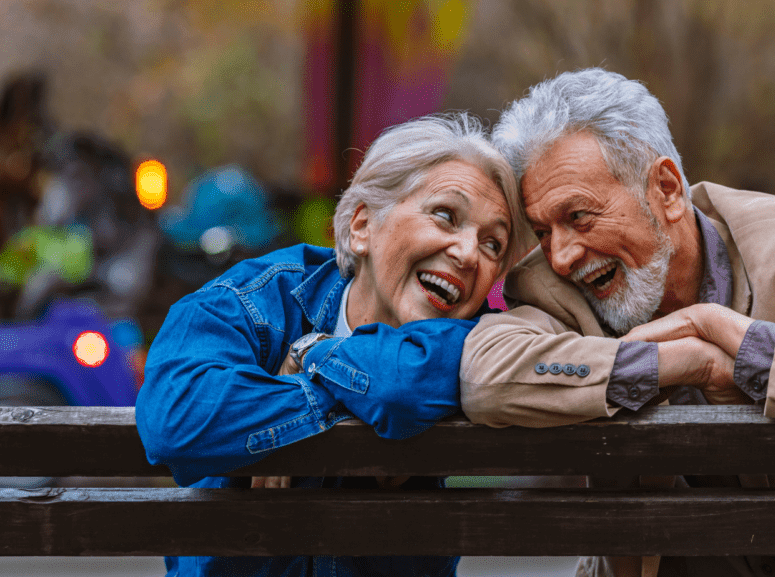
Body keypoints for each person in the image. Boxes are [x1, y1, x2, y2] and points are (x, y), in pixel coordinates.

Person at [459, 68, 775, 577]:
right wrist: (678, 363)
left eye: (579, 217)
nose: (563, 255)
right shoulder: (549, 286)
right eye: (543, 230)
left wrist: (727, 335)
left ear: (665, 188)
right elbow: (486, 378)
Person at [136, 112, 529, 577]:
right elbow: (175, 419)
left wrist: (314, 355)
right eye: (446, 215)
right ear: (362, 225)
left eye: (492, 244)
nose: (468, 253)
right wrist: (337, 394)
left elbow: (398, 389)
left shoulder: (484, 338)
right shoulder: (256, 300)